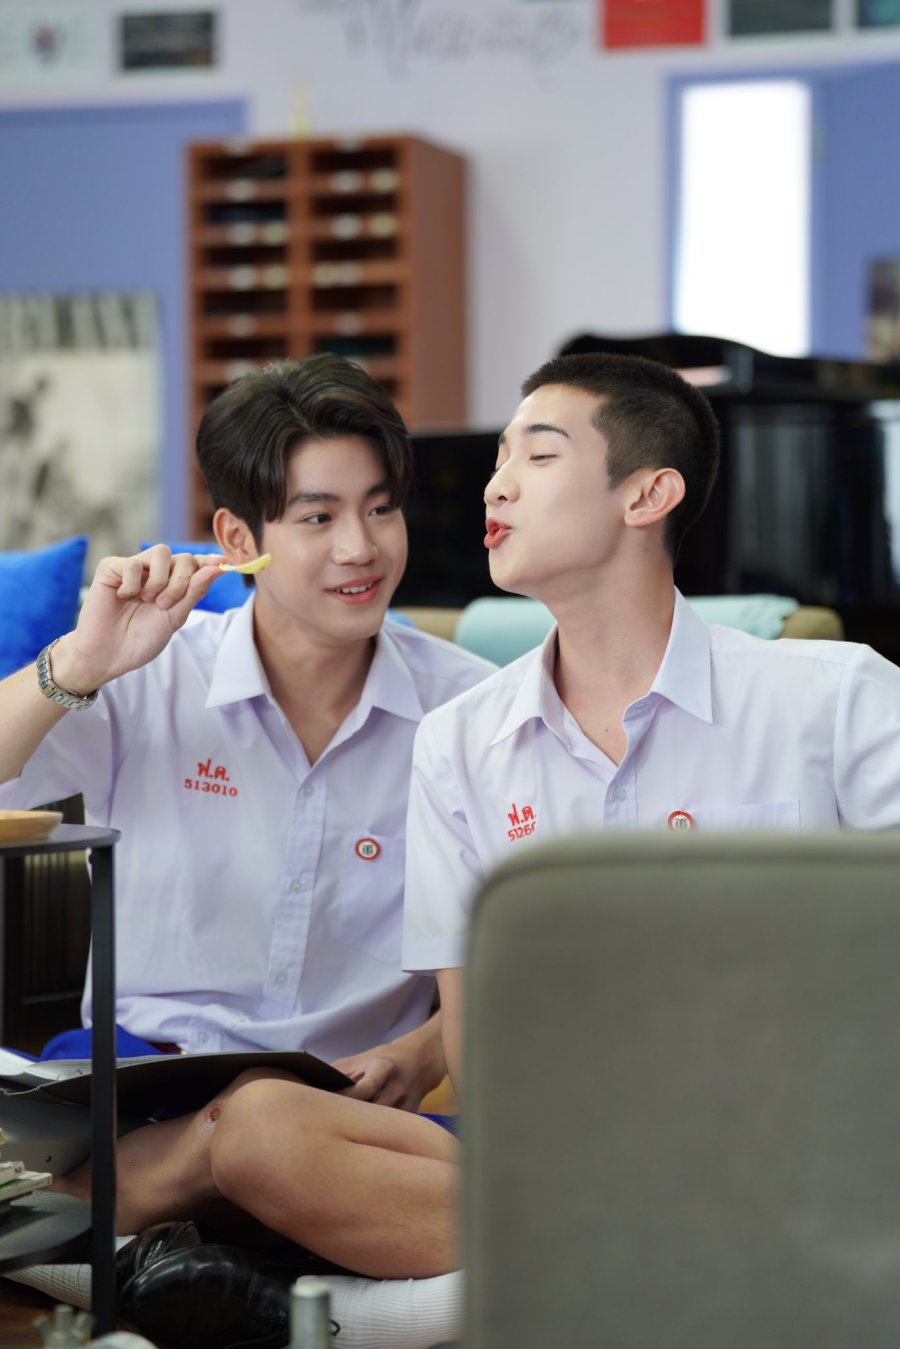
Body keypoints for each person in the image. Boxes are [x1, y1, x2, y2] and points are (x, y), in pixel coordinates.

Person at [0, 354, 493, 1340]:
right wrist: (81, 661)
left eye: (381, 508)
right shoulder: (147, 674)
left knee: (265, 1121)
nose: (361, 547)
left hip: (347, 1123)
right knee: (253, 1124)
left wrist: (423, 1046)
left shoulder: (474, 709)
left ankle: (132, 1241)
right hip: (136, 1090)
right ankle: (355, 1293)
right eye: (318, 516)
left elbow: (518, 951)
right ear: (238, 539)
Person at [400, 350, 900, 1093]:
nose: (496, 485)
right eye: (501, 458)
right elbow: (477, 1040)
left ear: (647, 495)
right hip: (560, 1133)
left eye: (539, 455)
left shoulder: (839, 698)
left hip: (791, 1121)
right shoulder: (456, 741)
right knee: (269, 1126)